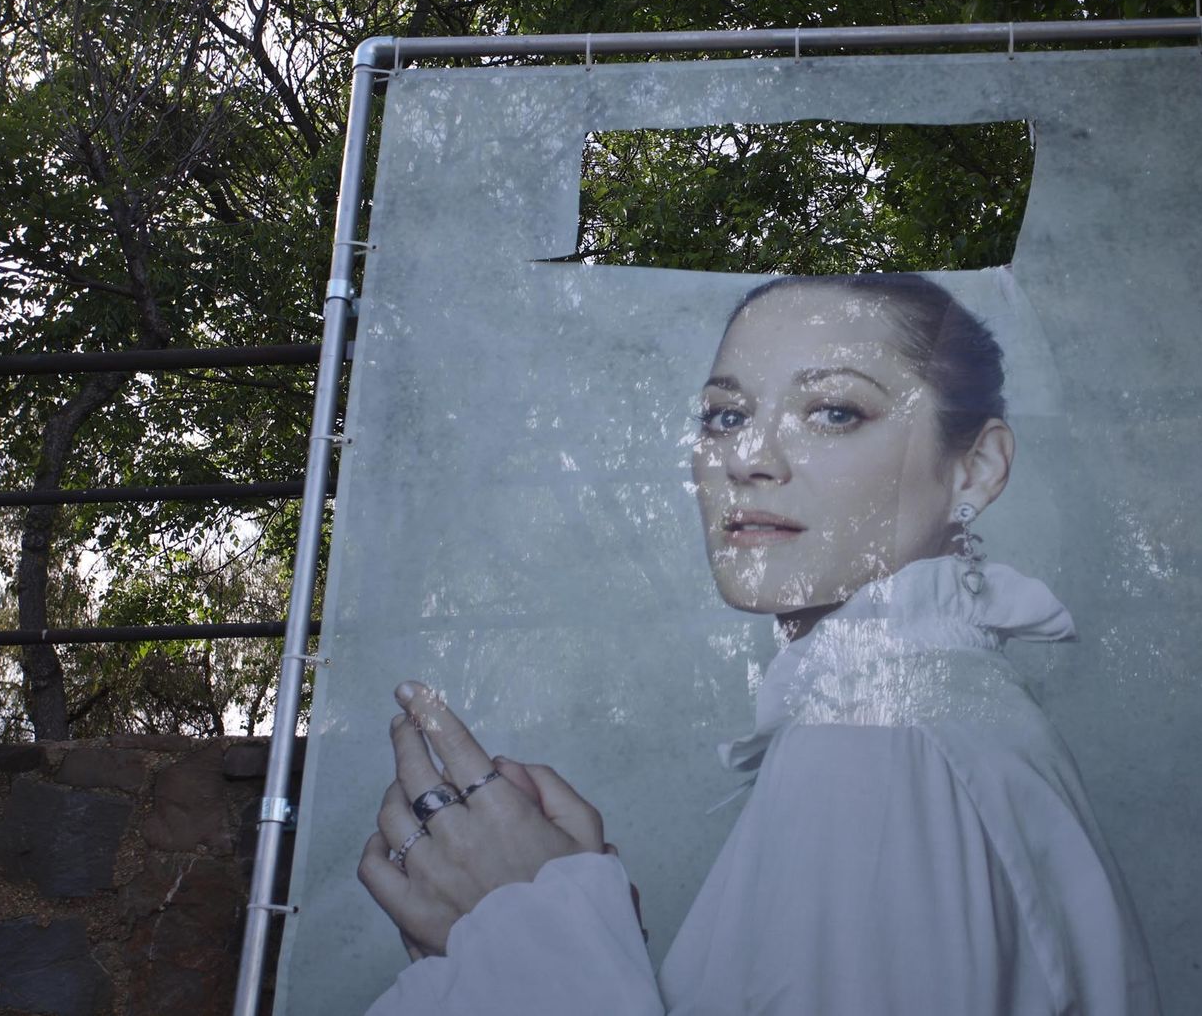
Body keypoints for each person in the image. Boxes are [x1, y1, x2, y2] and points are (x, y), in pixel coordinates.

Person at [357, 273, 1161, 1015]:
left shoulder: (878, 742)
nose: (748, 457)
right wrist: (597, 945)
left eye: (834, 410)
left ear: (975, 468)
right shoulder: (938, 705)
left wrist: (527, 931)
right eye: (726, 415)